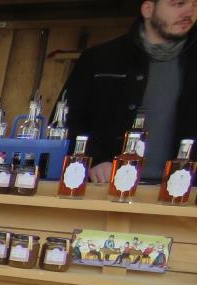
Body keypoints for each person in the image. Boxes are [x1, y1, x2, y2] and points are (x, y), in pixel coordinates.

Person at [61, 0, 196, 182]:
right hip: (107, 184)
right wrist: (95, 160)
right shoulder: (100, 59)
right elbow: (66, 120)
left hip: (185, 190)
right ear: (148, 9)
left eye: (195, 5)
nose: (189, 12)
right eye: (178, 4)